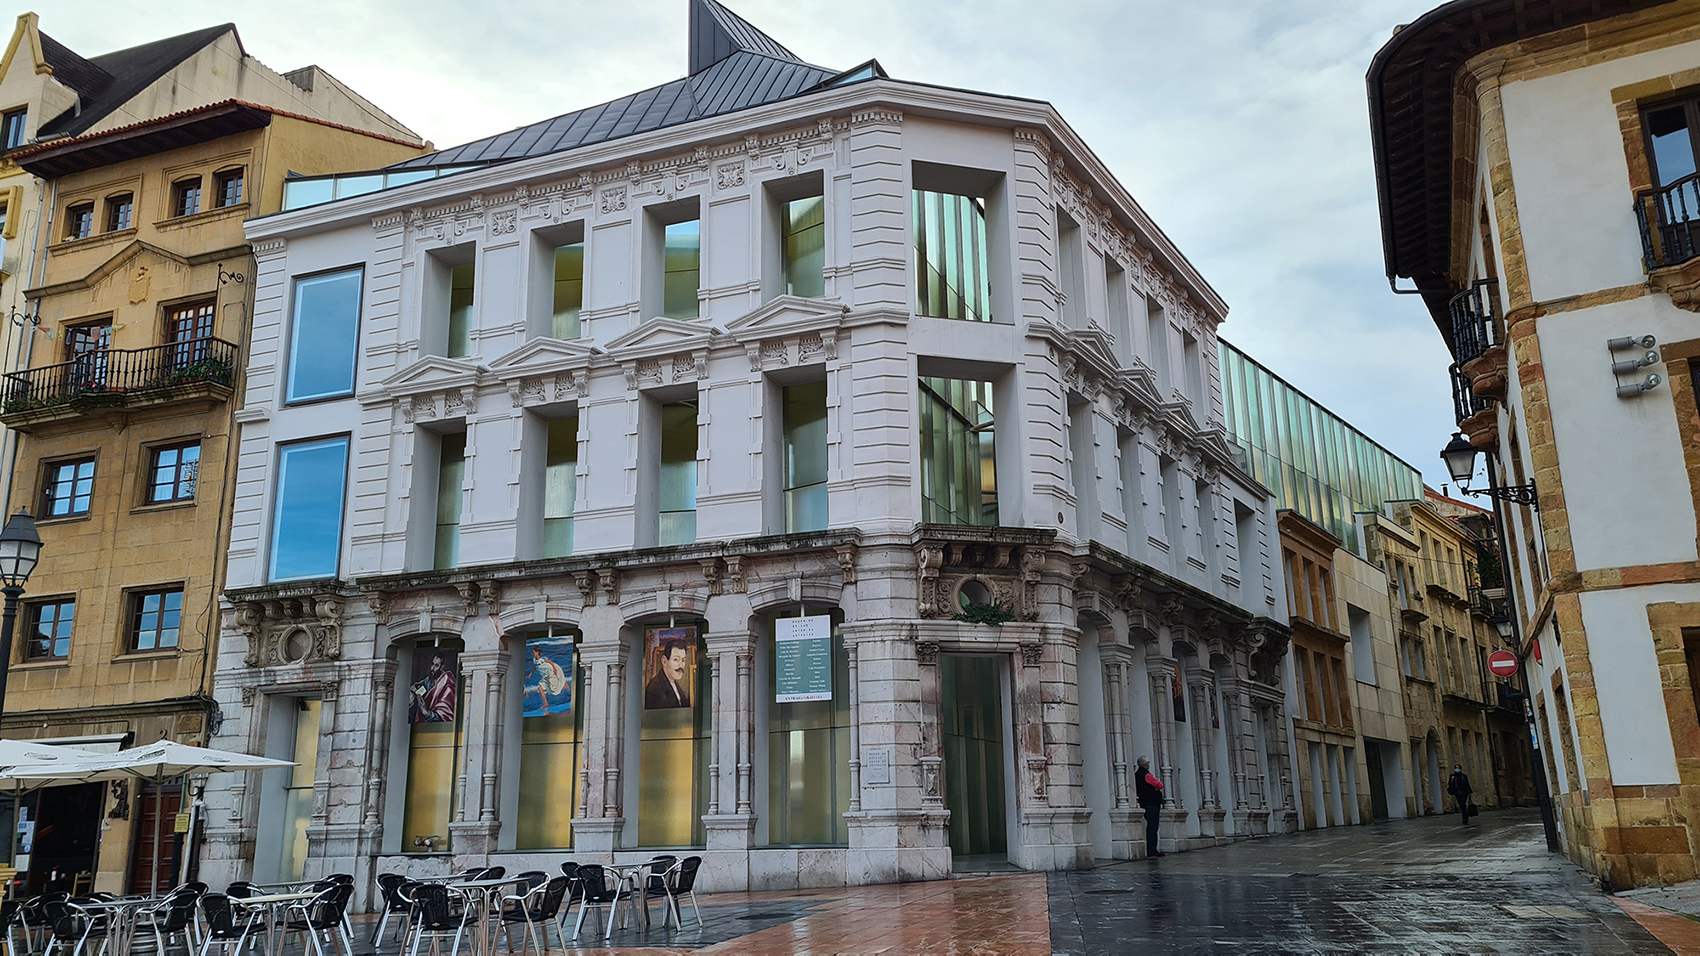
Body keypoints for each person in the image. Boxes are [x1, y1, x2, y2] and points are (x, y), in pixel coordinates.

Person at [410, 651, 457, 723]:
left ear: (442, 667)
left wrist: (426, 712)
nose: (432, 668)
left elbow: (445, 715)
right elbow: (416, 687)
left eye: (436, 665)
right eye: (432, 664)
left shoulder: (448, 683)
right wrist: (414, 692)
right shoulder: (428, 680)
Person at [645, 638, 692, 708]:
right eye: (676, 659)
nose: (681, 665)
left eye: (683, 660)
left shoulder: (674, 683)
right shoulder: (655, 689)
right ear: (664, 661)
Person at [1135, 755, 1166, 858]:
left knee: (1150, 827)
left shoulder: (1137, 774)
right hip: (1152, 803)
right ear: (1144, 764)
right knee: (1153, 827)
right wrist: (1156, 789)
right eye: (1147, 763)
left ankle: (1151, 850)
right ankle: (1152, 850)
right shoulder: (1146, 775)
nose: (1148, 765)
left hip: (1144, 802)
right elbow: (1159, 785)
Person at [526, 645, 569, 714]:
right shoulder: (534, 660)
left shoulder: (542, 659)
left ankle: (565, 687)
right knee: (540, 688)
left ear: (537, 652)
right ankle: (546, 703)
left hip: (550, 672)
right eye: (532, 652)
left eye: (534, 652)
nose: (533, 653)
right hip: (545, 676)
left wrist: (555, 669)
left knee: (553, 688)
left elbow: (550, 662)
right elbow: (535, 667)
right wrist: (530, 674)